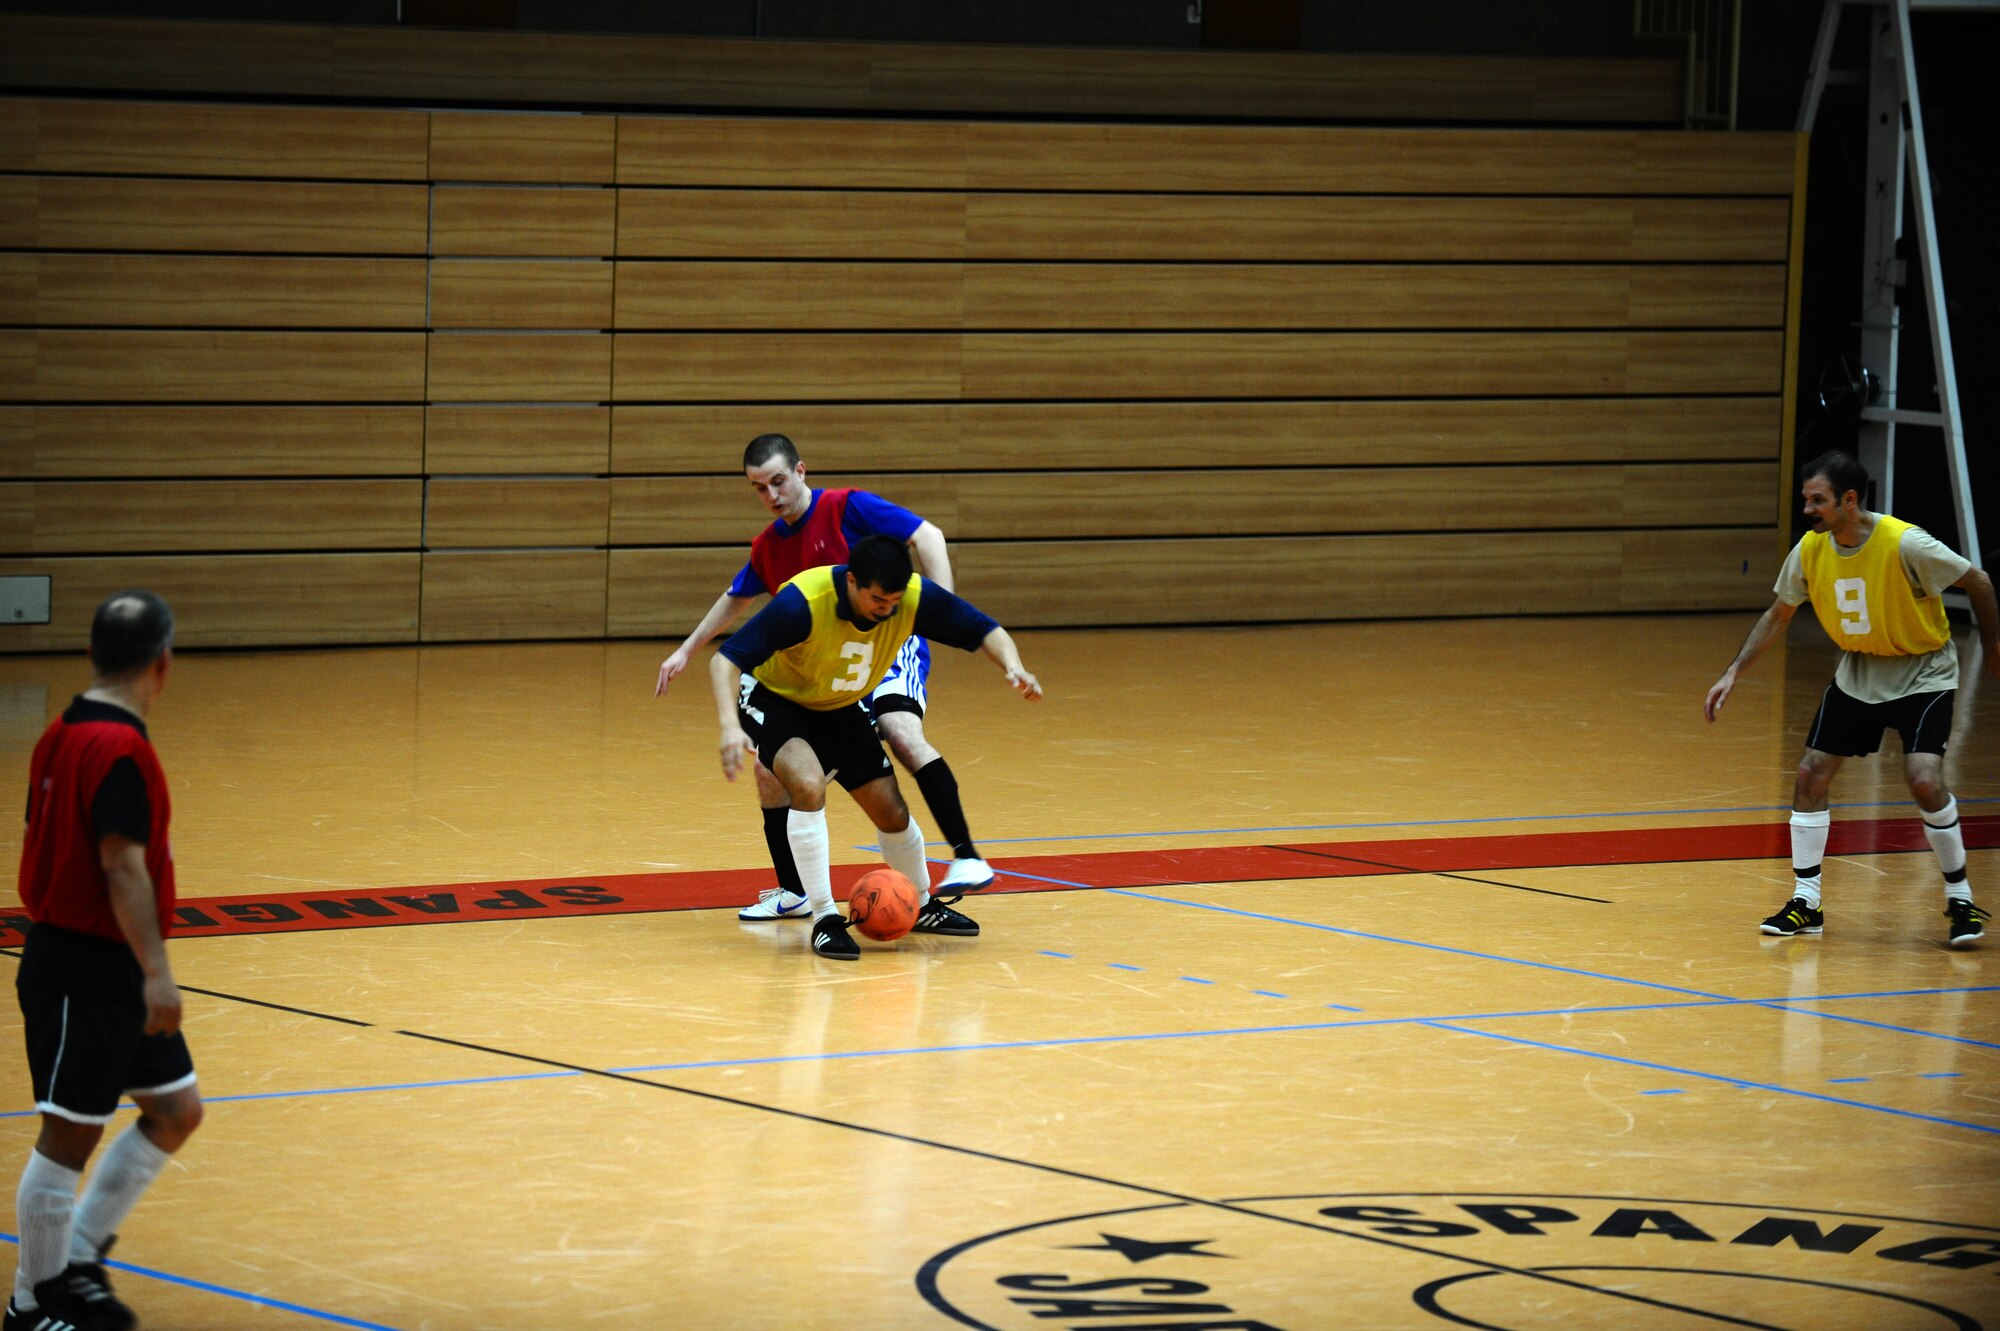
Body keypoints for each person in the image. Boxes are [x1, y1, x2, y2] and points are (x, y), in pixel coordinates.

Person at [658, 432, 998, 921]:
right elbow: (738, 596)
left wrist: (936, 610)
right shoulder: (769, 546)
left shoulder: (847, 508)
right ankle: (797, 893)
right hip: (815, 674)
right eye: (758, 488)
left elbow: (929, 536)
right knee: (772, 769)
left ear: (800, 472)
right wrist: (687, 650)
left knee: (901, 735)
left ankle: (957, 862)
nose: (771, 495)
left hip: (877, 650)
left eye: (778, 481)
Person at [1704, 450, 1998, 947]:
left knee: (1924, 781)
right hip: (1860, 673)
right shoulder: (1812, 549)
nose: (1808, 509)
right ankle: (1806, 901)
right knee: (1809, 774)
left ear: (1849, 500)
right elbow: (1779, 615)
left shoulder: (1906, 543)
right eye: (1806, 500)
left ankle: (1961, 899)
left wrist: (1993, 649)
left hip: (1923, 672)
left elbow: (1980, 582)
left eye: (1817, 500)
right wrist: (1734, 670)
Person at [10, 591, 203, 1331]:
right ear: (164, 662)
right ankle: (32, 1301)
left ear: (93, 653)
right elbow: (121, 865)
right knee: (69, 1132)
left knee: (175, 1109)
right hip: (87, 965)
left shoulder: (59, 731)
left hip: (99, 961)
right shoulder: (120, 748)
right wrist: (156, 970)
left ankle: (77, 1254)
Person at [710, 536, 1042, 960]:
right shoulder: (803, 602)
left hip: (837, 702)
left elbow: (984, 629)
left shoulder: (913, 598)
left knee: (891, 810)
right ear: (851, 582)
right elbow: (725, 659)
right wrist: (727, 728)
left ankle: (919, 904)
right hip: (773, 697)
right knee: (808, 783)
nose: (887, 609)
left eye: (894, 600)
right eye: (878, 599)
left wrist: (1014, 666)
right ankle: (825, 918)